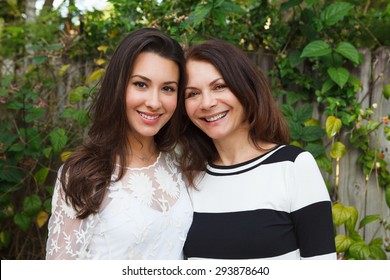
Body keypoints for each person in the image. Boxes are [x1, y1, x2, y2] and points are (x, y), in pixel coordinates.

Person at [175, 39, 336, 260]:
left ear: (245, 87)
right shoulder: (188, 178)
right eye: (192, 93)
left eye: (219, 86)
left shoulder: (294, 166)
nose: (207, 103)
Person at [45, 28, 193, 260]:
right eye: (141, 84)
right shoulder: (83, 174)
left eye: (167, 88)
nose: (154, 102)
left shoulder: (179, 161)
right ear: (119, 85)